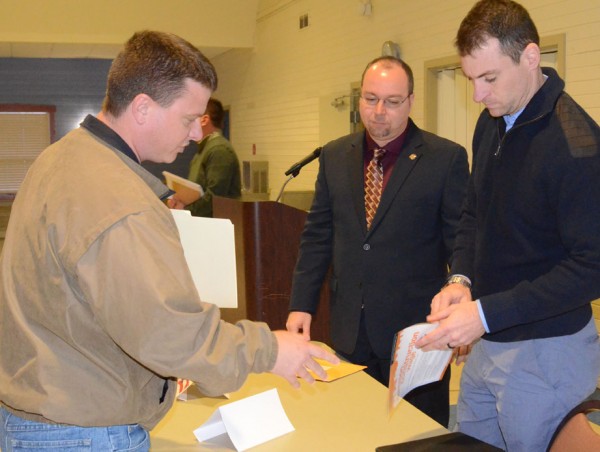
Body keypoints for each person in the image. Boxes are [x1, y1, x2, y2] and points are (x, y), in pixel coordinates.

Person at [0, 30, 338, 451]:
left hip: (39, 410)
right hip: (82, 431)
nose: (198, 134)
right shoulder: (117, 199)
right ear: (142, 108)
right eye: (188, 118)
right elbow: (170, 333)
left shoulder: (62, 157)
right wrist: (269, 350)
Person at [416, 0, 600, 449]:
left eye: (489, 78)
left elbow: (591, 268)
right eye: (471, 79)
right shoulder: (492, 122)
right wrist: (461, 278)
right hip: (491, 341)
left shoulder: (576, 143)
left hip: (546, 352)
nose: (478, 94)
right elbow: (474, 213)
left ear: (531, 57)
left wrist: (482, 314)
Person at [286, 56, 469, 427]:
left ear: (411, 101)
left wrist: (462, 295)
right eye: (370, 99)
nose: (379, 112)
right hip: (351, 331)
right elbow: (318, 235)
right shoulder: (336, 155)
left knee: (417, 435)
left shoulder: (444, 158)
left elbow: (461, 239)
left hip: (417, 335)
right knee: (355, 429)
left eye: (392, 101)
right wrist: (301, 305)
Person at [186, 97, 241, 217]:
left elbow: (215, 198)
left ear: (204, 120)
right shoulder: (205, 149)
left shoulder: (219, 150)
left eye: (192, 118)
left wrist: (186, 210)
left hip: (215, 228)